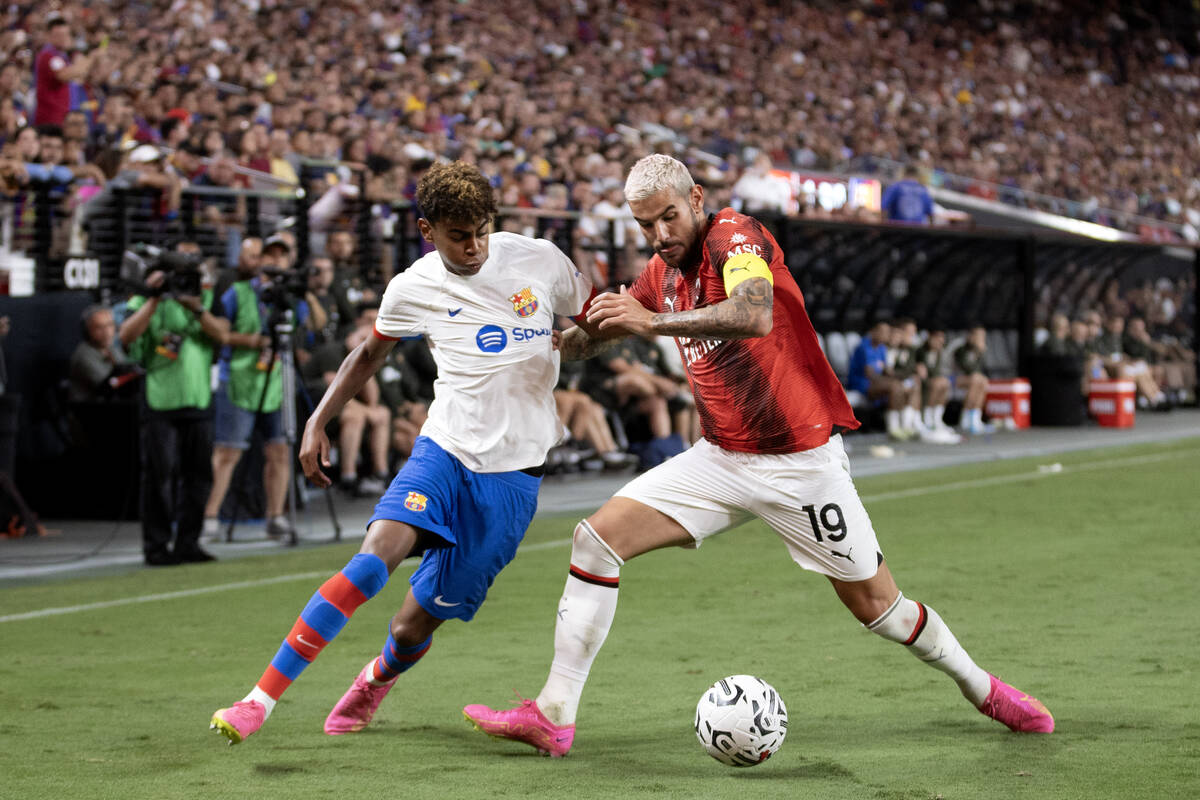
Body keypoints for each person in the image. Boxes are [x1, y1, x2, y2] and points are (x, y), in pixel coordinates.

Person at [463, 154, 1053, 757]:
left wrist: (648, 324)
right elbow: (597, 333)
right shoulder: (658, 276)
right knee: (596, 539)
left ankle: (982, 688)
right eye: (645, 226)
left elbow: (752, 312)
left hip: (801, 464)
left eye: (668, 217)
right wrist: (537, 340)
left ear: (696, 198)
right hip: (719, 459)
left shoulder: (735, 236)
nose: (660, 236)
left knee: (882, 610)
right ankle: (554, 714)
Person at [209, 160, 596, 745]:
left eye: (482, 231)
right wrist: (318, 420)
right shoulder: (413, 287)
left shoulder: (539, 259)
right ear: (427, 230)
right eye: (458, 235)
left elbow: (595, 319)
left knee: (412, 624)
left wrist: (578, 341)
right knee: (372, 559)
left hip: (514, 475)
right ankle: (257, 701)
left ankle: (375, 678)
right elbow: (368, 355)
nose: (473, 247)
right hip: (445, 449)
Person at [119, 253, 229, 565]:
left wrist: (196, 306)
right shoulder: (143, 301)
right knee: (159, 476)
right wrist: (154, 298)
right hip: (160, 402)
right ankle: (156, 546)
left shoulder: (203, 298)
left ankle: (188, 543)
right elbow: (126, 336)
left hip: (197, 400)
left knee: (198, 476)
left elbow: (222, 334)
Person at [202, 237, 298, 540]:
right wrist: (254, 341)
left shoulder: (288, 296)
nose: (274, 262)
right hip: (240, 379)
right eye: (268, 256)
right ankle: (210, 517)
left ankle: (275, 516)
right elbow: (220, 332)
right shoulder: (237, 293)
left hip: (276, 382)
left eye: (281, 257)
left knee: (279, 451)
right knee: (228, 452)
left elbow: (310, 324)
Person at [68, 304, 135, 402]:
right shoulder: (84, 355)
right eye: (99, 327)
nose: (107, 332)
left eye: (110, 325)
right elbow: (107, 386)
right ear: (87, 331)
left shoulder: (112, 348)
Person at [953, 326, 994, 435]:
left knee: (983, 380)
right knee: (976, 379)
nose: (981, 339)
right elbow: (967, 368)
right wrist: (978, 352)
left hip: (969, 378)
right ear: (971, 336)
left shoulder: (977, 349)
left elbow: (979, 369)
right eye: (979, 336)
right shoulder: (960, 347)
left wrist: (980, 353)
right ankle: (966, 418)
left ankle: (975, 418)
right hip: (952, 377)